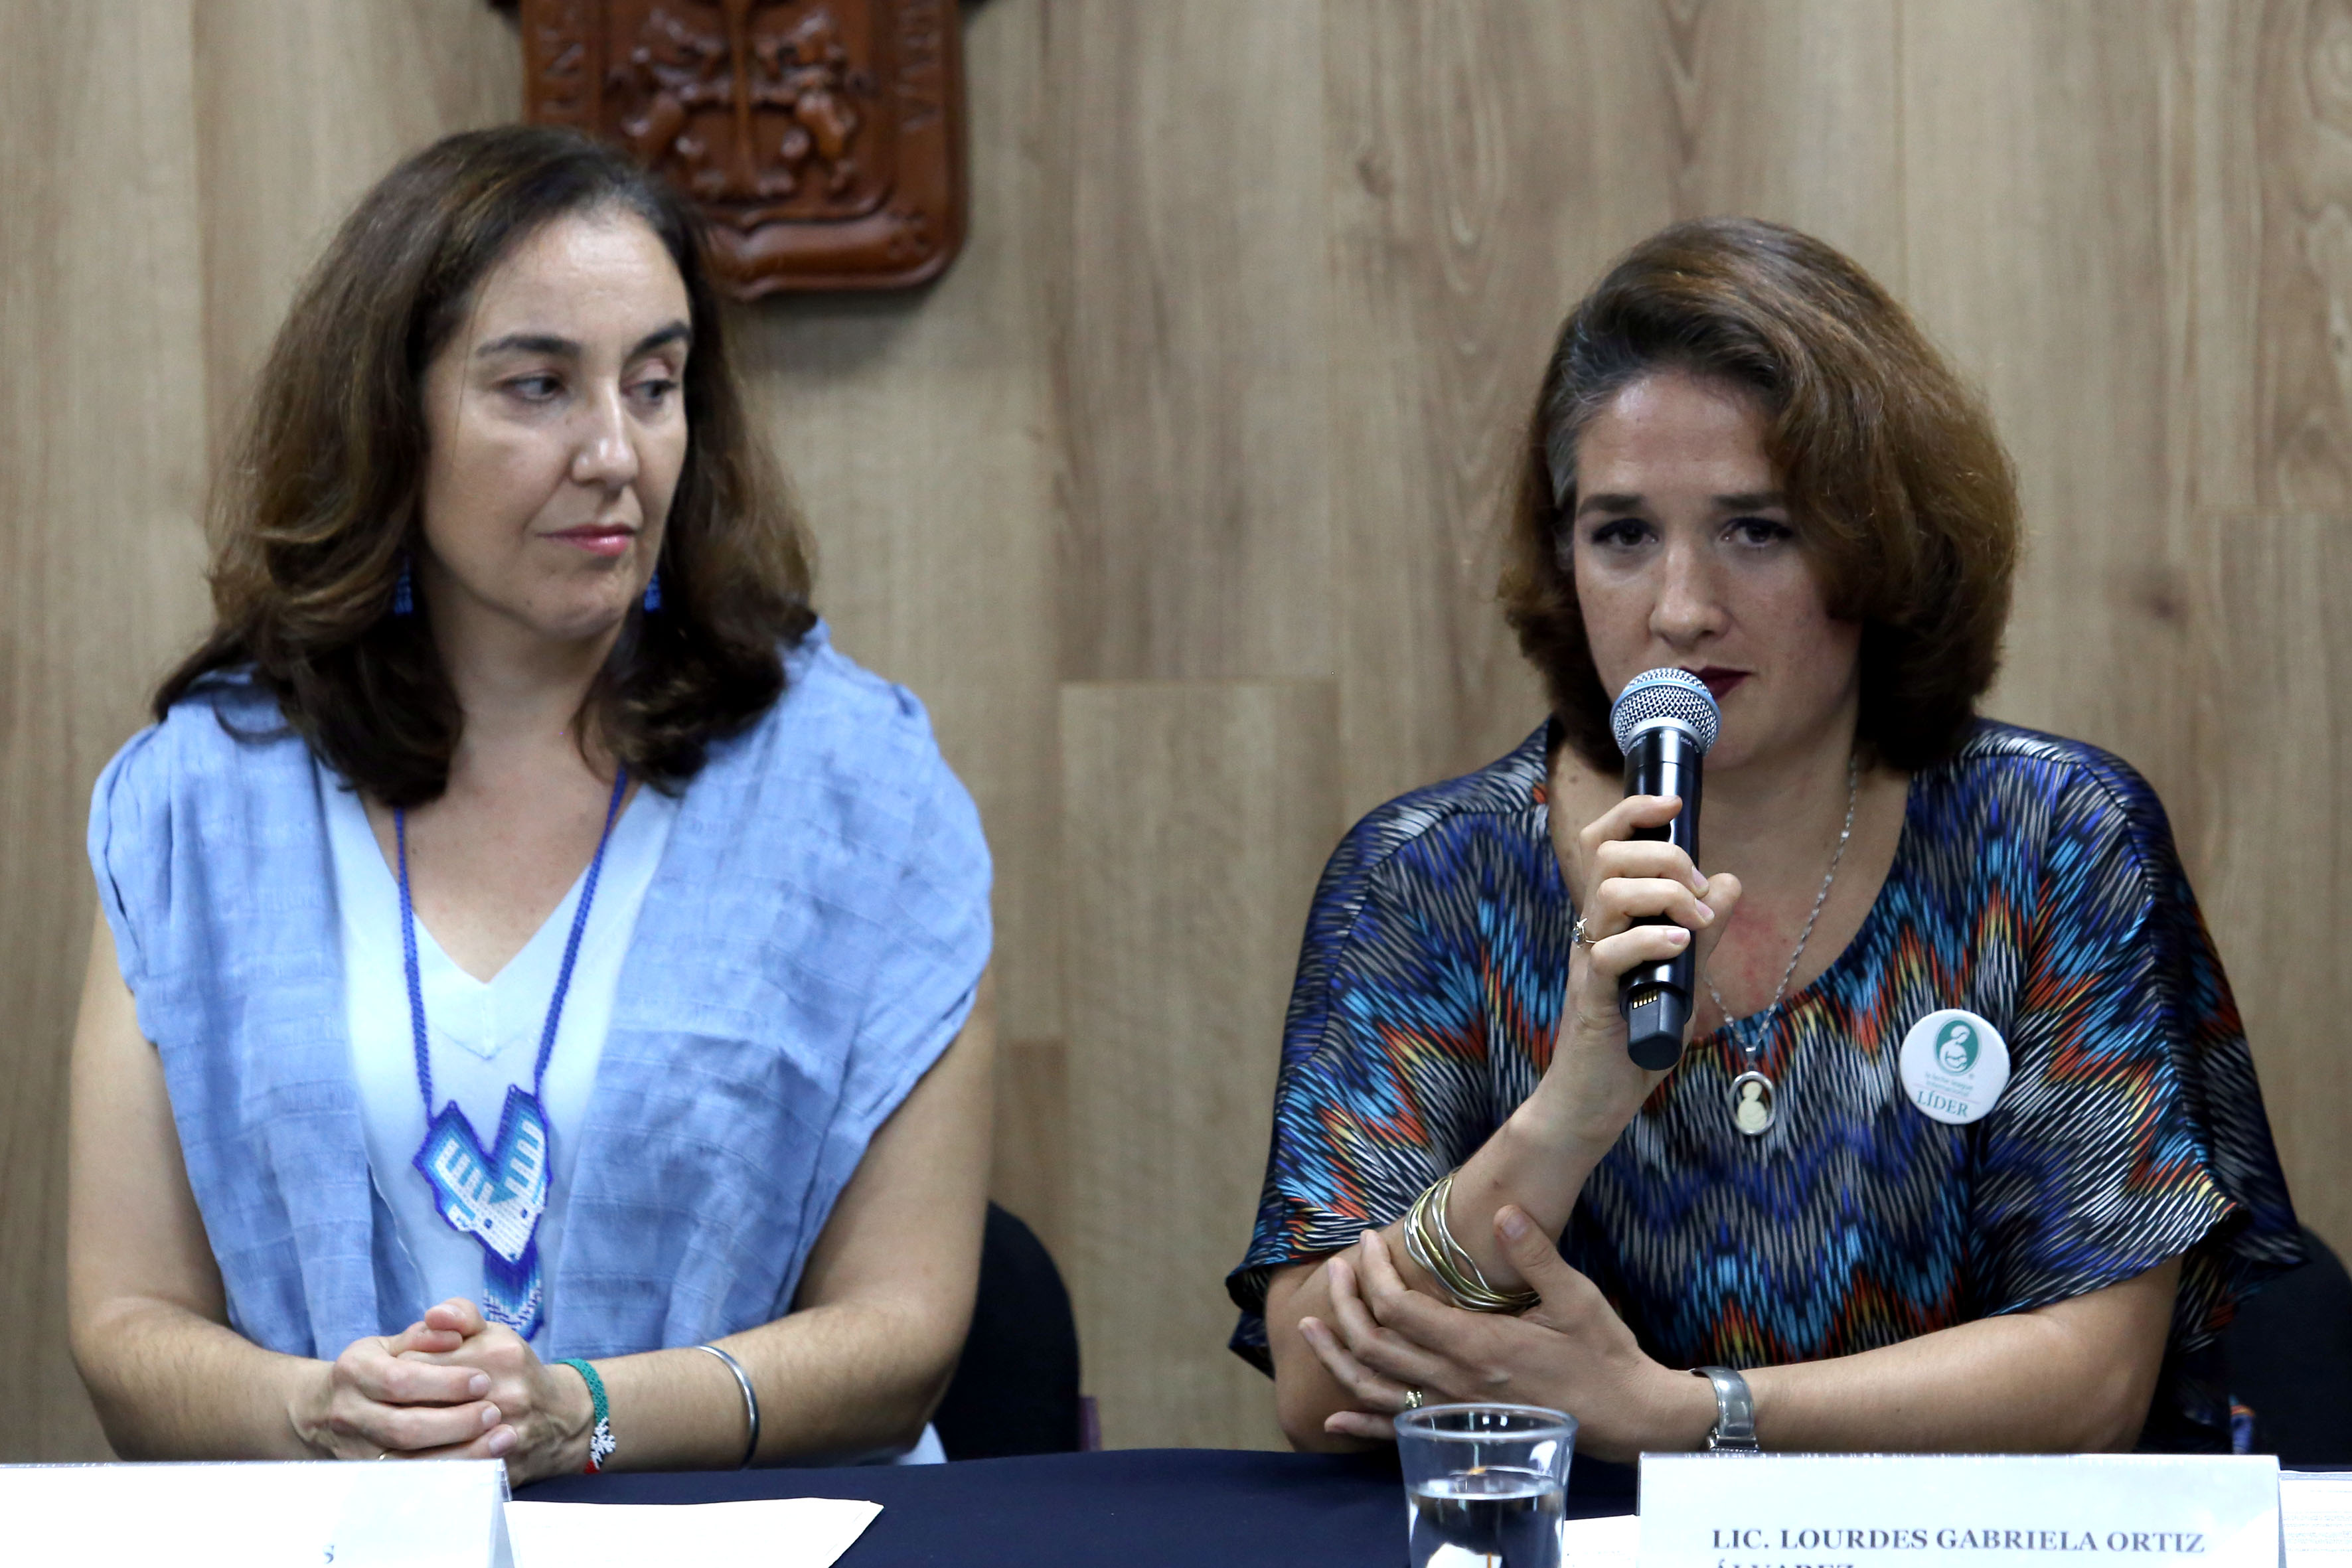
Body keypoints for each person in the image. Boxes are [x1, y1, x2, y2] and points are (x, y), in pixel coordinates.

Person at [1230, 218, 2302, 1457]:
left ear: (1880, 547)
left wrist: (1689, 1417)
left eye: (1758, 529)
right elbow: (1323, 1394)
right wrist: (1569, 1115)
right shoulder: (1426, 878)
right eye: (1623, 534)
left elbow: (2095, 1375)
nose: (1681, 608)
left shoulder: (2052, 839)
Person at [66, 126, 994, 1481]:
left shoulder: (860, 789)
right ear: (391, 416)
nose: (615, 451)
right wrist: (324, 1407)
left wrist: (584, 1412)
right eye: (538, 387)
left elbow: (905, 1328)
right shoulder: (200, 801)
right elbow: (124, 1318)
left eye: (656, 383)